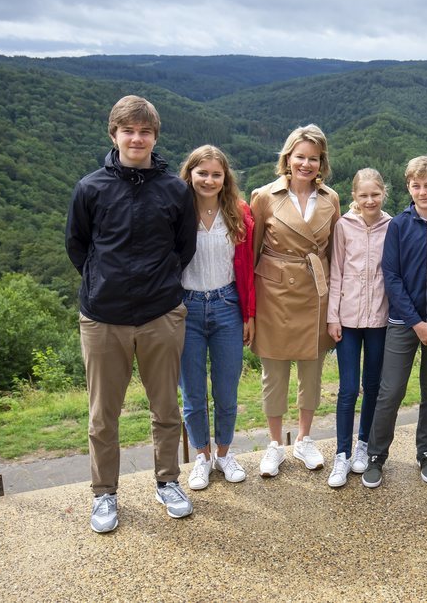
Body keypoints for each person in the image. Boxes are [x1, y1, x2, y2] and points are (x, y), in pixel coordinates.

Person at [65, 95, 197, 533]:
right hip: (104, 318)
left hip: (161, 313)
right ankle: (104, 494)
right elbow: (78, 246)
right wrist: (105, 283)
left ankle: (167, 482)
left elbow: (184, 249)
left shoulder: (176, 190)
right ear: (114, 134)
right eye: (128, 130)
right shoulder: (90, 188)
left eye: (144, 131)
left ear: (155, 136)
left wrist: (162, 289)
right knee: (104, 414)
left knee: (165, 408)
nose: (136, 138)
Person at [361, 156, 427, 489]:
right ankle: (377, 456)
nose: (423, 191)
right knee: (390, 391)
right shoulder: (399, 225)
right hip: (403, 322)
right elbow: (391, 277)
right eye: (416, 185)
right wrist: (416, 322)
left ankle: (426, 453)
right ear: (409, 187)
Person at [251, 124, 340, 477]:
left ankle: (303, 439)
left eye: (313, 159)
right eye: (300, 156)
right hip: (272, 292)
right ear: (287, 158)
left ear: (322, 163)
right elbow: (253, 249)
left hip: (314, 292)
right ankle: (274, 445)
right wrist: (250, 310)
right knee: (273, 374)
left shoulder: (331, 199)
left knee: (311, 371)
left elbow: (334, 253)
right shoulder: (264, 197)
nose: (306, 164)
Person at [178, 145, 255, 491]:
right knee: (193, 393)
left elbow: (247, 271)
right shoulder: (177, 211)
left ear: (226, 178)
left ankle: (224, 453)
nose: (209, 180)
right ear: (190, 174)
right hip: (186, 307)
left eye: (216, 174)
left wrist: (249, 314)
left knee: (226, 390)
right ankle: (201, 457)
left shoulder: (238, 213)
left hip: (227, 305)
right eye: (202, 173)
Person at [326, 168, 391, 488]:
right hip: (348, 319)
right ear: (354, 196)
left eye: (375, 194)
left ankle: (364, 444)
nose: (369, 200)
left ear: (384, 194)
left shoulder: (392, 226)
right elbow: (335, 271)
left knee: (374, 386)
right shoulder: (343, 226)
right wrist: (332, 316)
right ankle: (341, 453)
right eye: (363, 195)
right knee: (349, 388)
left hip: (379, 319)